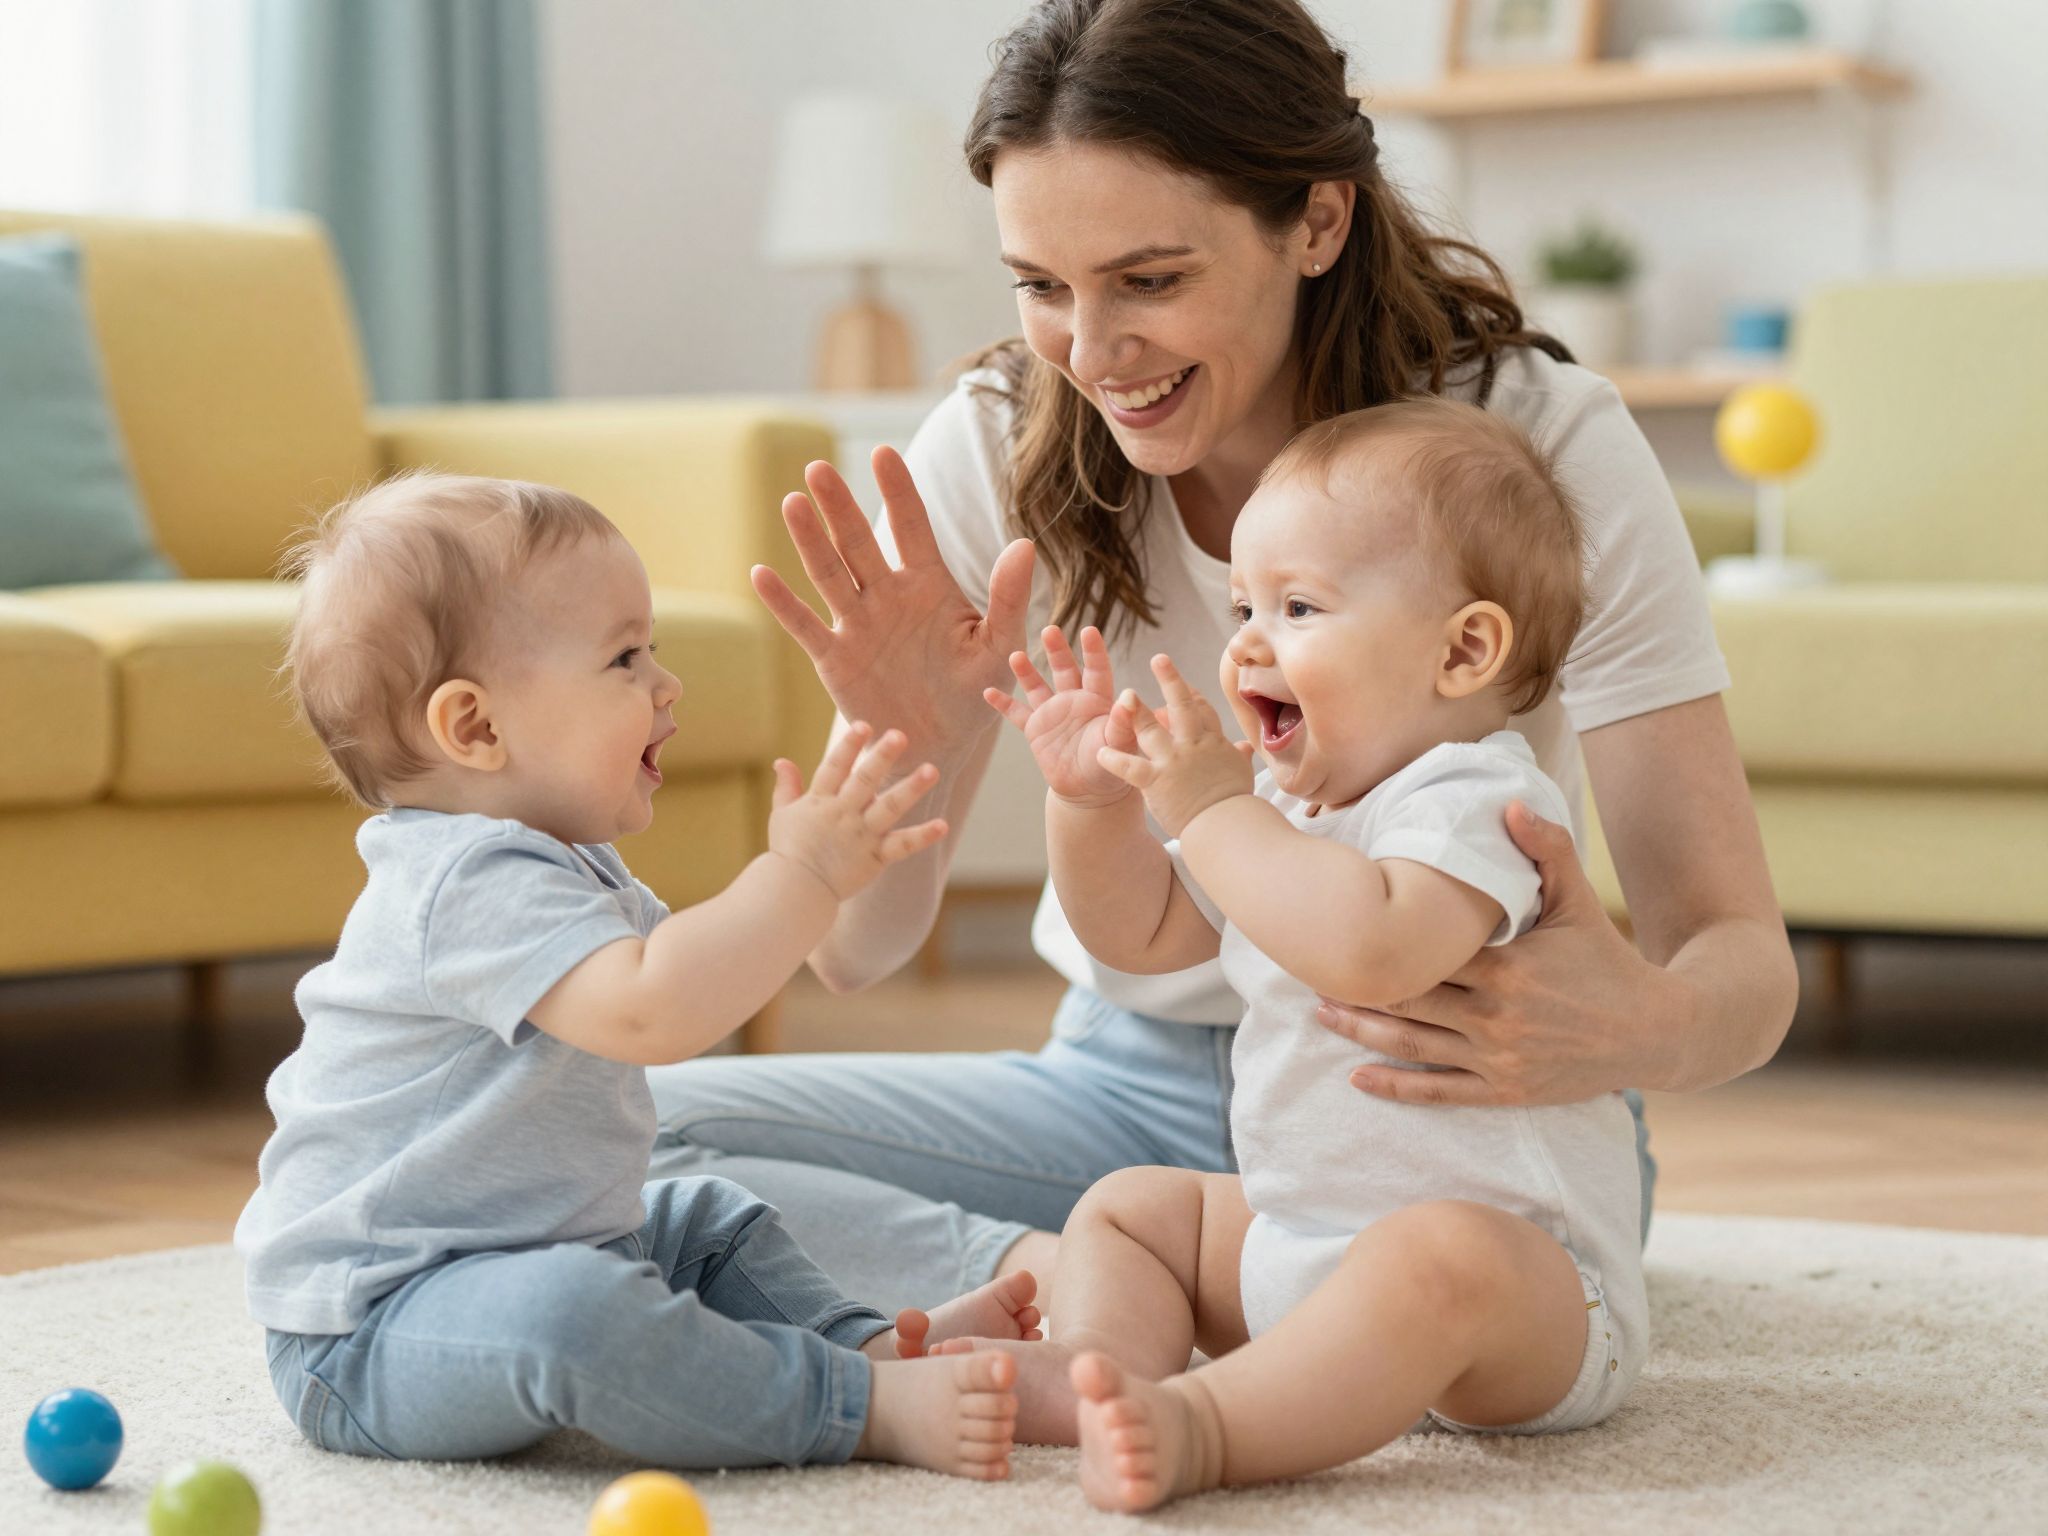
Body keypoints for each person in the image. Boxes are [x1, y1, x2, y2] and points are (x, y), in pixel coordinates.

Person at [645, 0, 1796, 1317]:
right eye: (1040, 286)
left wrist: (1628, 1028)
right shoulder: (1002, 444)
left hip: (1444, 1102)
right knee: (633, 1136)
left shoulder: (1537, 441)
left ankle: (1153, 1288)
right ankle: (1051, 1279)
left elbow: (1736, 957)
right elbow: (857, 956)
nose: (1091, 353)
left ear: (1316, 221)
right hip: (1126, 1087)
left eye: (1149, 280)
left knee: (1446, 1288)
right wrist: (913, 734)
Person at [235, 471, 1038, 1478]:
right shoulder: (461, 881)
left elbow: (703, 970)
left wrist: (836, 865)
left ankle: (867, 1348)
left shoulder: (568, 862)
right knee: (573, 1315)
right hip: (372, 1330)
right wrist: (800, 873)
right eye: (624, 658)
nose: (667, 684)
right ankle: (856, 1407)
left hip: (534, 1251)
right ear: (475, 727)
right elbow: (657, 1011)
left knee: (707, 1220)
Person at [975, 398, 1644, 1508]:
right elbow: (1140, 934)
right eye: (1243, 605)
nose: (1244, 641)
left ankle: (1206, 1428)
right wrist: (1091, 808)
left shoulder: (1477, 797)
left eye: (1296, 608)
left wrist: (1212, 810)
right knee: (1135, 1208)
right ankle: (1096, 1368)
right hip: (1302, 1243)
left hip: (1523, 1295)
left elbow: (1371, 948)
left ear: (1462, 649)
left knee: (1435, 1256)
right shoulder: (1287, 812)